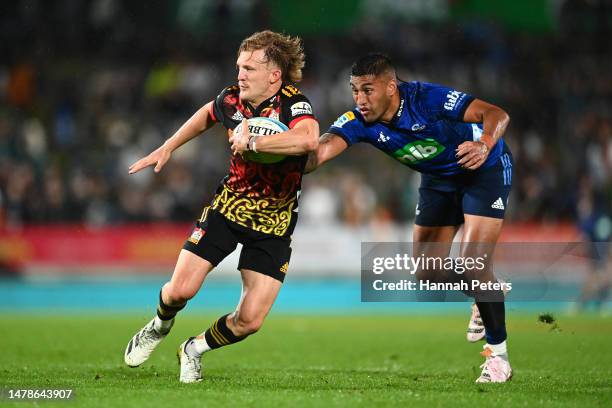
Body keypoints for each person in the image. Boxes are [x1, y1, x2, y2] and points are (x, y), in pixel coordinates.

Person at [123, 30, 319, 383]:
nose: (240, 74)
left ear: (274, 75)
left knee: (250, 321)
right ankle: (159, 324)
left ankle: (193, 349)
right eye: (238, 67)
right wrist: (169, 145)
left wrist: (254, 140)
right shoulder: (231, 99)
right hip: (228, 209)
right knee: (180, 290)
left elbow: (308, 139)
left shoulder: (294, 103)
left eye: (248, 68)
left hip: (274, 225)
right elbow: (206, 114)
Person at [306, 54, 513, 383]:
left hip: (481, 170)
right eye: (354, 90)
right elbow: (318, 154)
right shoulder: (359, 121)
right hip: (437, 182)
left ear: (391, 87)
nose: (360, 99)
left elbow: (497, 114)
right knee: (427, 271)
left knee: (474, 264)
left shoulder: (427, 99)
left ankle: (498, 357)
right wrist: (273, 151)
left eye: (368, 90)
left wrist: (485, 144)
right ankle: (486, 290)